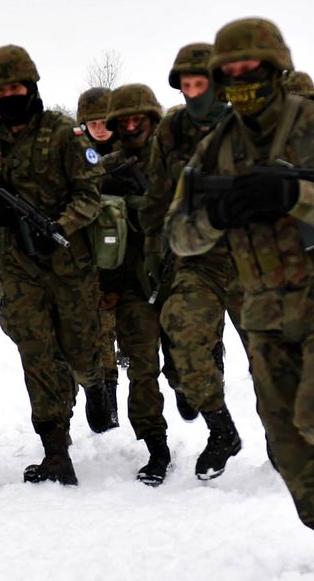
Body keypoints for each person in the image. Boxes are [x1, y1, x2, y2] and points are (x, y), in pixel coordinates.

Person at [166, 17, 314, 568]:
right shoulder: (214, 150)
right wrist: (219, 214)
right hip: (263, 310)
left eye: (251, 67)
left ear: (275, 66)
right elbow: (178, 233)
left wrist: (297, 195)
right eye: (231, 70)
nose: (242, 77)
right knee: (286, 444)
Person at [0, 45, 105, 485]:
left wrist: (58, 225)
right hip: (20, 270)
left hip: (70, 264)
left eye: (16, 87)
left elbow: (90, 196)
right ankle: (55, 450)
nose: (9, 95)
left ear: (32, 86)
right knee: (37, 356)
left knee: (78, 349)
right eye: (1, 89)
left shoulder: (63, 133)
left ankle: (95, 380)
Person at [152, 42, 246, 478]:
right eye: (186, 85)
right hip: (197, 259)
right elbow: (156, 195)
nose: (193, 92)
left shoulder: (250, 123)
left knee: (270, 360)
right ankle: (220, 428)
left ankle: (285, 443)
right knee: (184, 343)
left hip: (252, 260)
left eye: (201, 83)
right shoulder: (171, 129)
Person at [100, 81, 173, 483]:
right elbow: (100, 234)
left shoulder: (174, 162)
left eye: (137, 118)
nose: (131, 126)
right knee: (142, 370)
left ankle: (216, 424)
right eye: (123, 120)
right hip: (130, 285)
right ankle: (156, 445)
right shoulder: (108, 170)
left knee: (183, 369)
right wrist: (106, 284)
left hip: (178, 280)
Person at [74, 86, 123, 433]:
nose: (100, 127)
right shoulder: (73, 154)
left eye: (105, 120)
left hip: (128, 255)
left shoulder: (131, 150)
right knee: (100, 332)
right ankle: (107, 401)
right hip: (89, 256)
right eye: (92, 122)